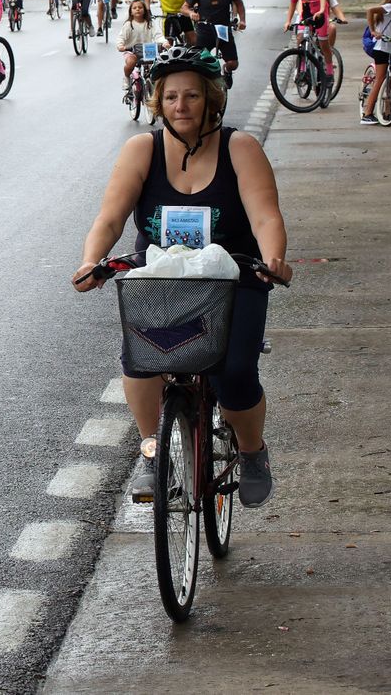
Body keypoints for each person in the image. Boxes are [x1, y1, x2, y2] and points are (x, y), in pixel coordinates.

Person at [73, 46, 292, 506]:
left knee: (234, 371)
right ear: (158, 102)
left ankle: (252, 452)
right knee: (141, 358)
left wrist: (273, 259)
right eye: (170, 97)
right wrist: (91, 260)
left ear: (212, 99)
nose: (181, 106)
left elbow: (265, 216)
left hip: (233, 276)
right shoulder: (142, 149)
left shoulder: (240, 148)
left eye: (192, 96)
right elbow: (110, 218)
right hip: (161, 274)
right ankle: (153, 453)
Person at [183, 0, 246, 78]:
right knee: (197, 62)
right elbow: (184, 8)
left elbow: (239, 3)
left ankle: (226, 71)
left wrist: (242, 20)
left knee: (233, 63)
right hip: (204, 30)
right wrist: (191, 13)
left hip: (223, 29)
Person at [285, 0, 336, 82]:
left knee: (324, 44)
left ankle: (329, 70)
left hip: (319, 15)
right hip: (306, 15)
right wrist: (288, 21)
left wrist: (322, 10)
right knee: (301, 38)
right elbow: (292, 3)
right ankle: (301, 70)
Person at [116, 0, 166, 82]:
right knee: (131, 62)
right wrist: (120, 46)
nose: (137, 9)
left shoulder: (150, 23)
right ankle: (127, 77)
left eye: (140, 7)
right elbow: (121, 37)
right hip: (131, 51)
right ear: (131, 12)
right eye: (134, 8)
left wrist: (164, 42)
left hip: (148, 50)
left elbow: (158, 36)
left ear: (144, 10)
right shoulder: (129, 25)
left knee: (157, 66)